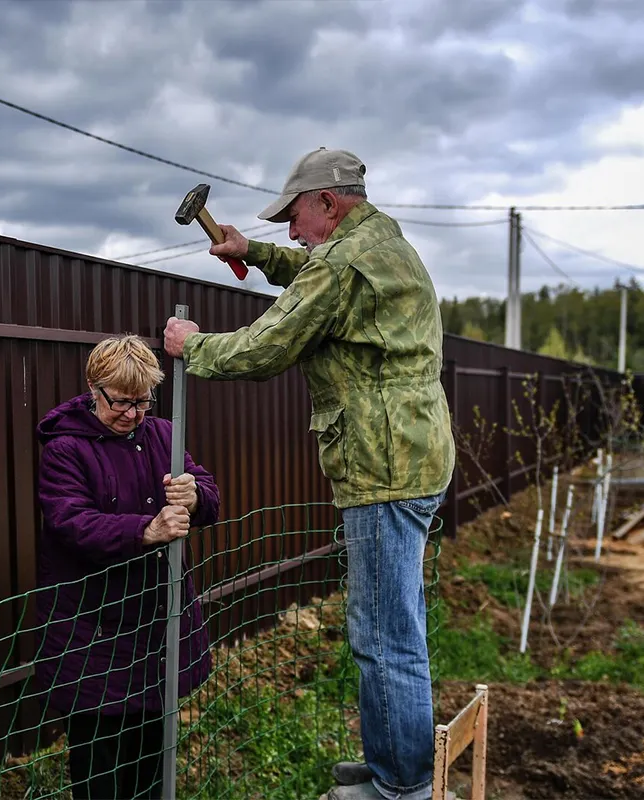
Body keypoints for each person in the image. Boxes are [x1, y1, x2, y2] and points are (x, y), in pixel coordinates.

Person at [163, 147, 454, 800]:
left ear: (329, 202)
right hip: (408, 457)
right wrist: (255, 252)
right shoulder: (375, 241)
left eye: (294, 217)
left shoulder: (347, 261)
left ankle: (402, 786)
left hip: (384, 467)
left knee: (384, 637)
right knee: (387, 628)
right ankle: (391, 766)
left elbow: (271, 343)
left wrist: (195, 347)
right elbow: (314, 273)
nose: (289, 232)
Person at [33, 334, 220, 800]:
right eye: (121, 402)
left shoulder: (162, 435)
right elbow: (70, 521)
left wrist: (195, 495)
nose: (133, 414)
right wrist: (146, 530)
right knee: (100, 772)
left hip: (155, 629)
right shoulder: (64, 449)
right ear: (94, 389)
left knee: (151, 764)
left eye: (142, 402)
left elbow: (206, 488)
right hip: (92, 632)